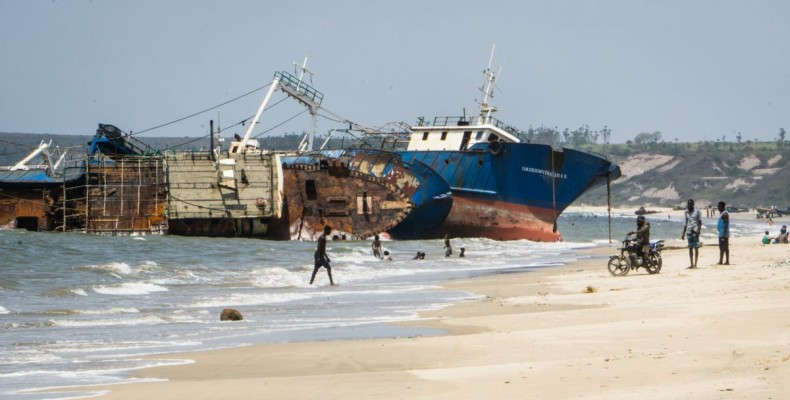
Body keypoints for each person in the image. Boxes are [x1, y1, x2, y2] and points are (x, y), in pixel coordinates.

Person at [681, 199, 702, 269]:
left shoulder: (697, 211)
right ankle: (691, 264)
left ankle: (695, 264)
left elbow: (700, 222)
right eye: (688, 205)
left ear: (693, 205)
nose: (689, 206)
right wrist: (683, 234)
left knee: (696, 248)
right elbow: (685, 223)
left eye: (690, 204)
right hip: (689, 232)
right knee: (690, 248)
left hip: (695, 232)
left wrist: (698, 231)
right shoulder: (686, 212)